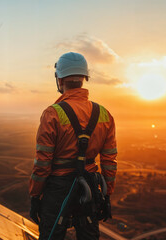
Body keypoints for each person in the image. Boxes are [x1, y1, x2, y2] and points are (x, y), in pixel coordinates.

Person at [29, 52, 117, 240]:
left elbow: (43, 163)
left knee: (51, 235)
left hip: (58, 189)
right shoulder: (104, 114)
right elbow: (109, 161)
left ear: (59, 79)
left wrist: (35, 196)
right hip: (91, 188)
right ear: (85, 78)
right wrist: (107, 194)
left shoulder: (52, 114)